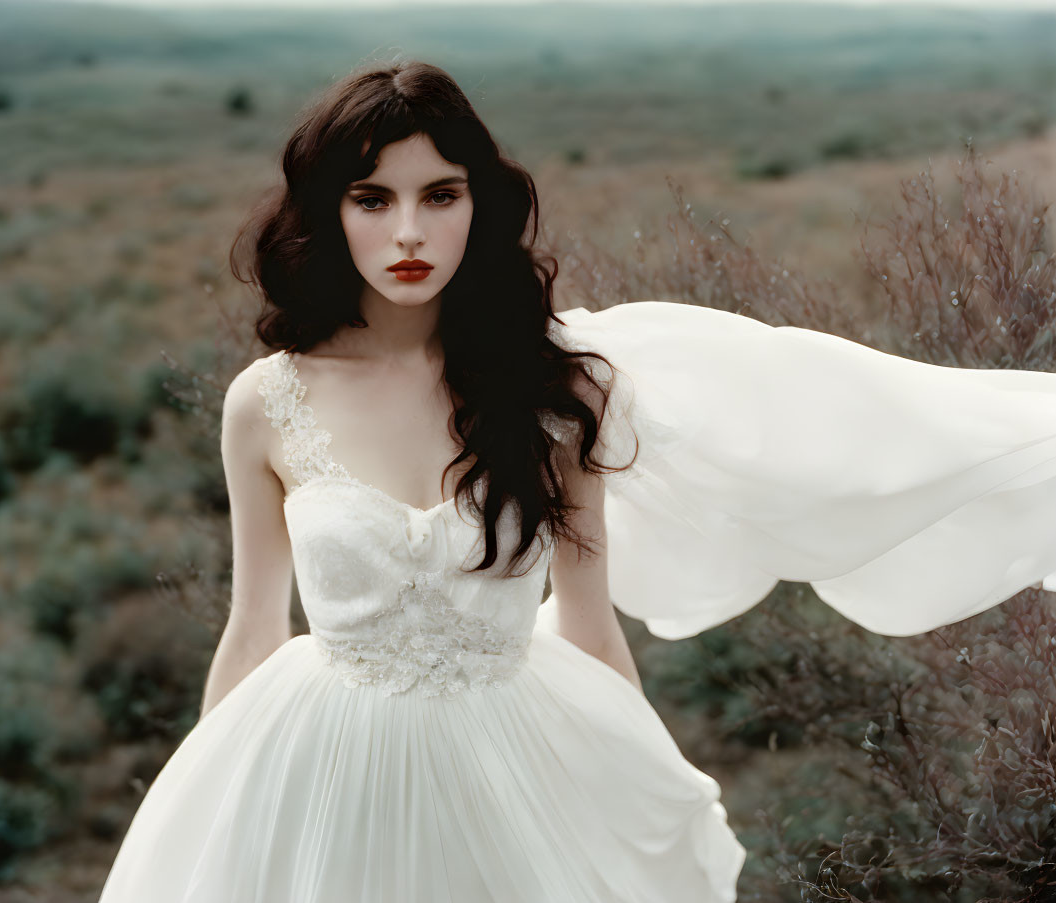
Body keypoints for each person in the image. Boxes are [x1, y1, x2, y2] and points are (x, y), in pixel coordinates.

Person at [97, 60, 1056, 903]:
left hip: (511, 768)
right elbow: (255, 626)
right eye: (371, 199)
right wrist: (204, 808)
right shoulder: (267, 400)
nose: (407, 232)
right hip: (318, 768)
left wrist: (638, 777)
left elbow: (589, 622)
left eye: (440, 194)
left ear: (481, 204)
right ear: (327, 211)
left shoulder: (558, 389)